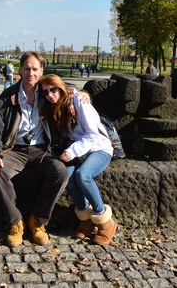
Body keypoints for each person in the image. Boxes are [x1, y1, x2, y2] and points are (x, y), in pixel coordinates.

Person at [0, 52, 69, 247]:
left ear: (41, 71)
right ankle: (16, 222)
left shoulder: (48, 93)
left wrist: (84, 94)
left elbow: (68, 92)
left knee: (60, 173)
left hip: (42, 150)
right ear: (20, 69)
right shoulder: (8, 97)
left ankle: (38, 220)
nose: (31, 73)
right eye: (27, 68)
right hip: (14, 149)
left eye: (35, 69)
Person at [38, 74, 119, 246]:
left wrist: (72, 151)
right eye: (45, 92)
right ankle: (86, 218)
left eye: (53, 90)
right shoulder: (54, 107)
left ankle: (105, 220)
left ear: (60, 87)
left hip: (99, 148)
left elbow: (92, 134)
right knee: (67, 176)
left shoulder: (79, 101)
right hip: (79, 152)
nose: (50, 95)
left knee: (83, 176)